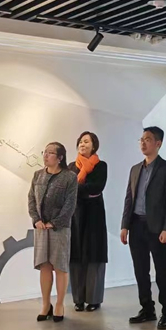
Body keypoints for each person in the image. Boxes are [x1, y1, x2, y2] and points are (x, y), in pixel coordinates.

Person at [121, 126, 166, 330]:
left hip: (157, 228)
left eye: (148, 139)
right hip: (136, 225)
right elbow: (129, 199)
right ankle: (147, 309)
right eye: (142, 139)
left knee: (162, 271)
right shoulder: (135, 169)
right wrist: (124, 226)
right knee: (140, 270)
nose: (143, 143)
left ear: (158, 143)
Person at [28, 142, 78, 323]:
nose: (46, 156)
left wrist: (54, 223)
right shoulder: (38, 175)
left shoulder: (69, 177)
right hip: (41, 228)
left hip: (60, 228)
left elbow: (70, 204)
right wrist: (36, 219)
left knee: (60, 267)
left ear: (60, 157)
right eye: (45, 152)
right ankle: (45, 304)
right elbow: (31, 199)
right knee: (45, 266)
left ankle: (59, 305)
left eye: (50, 153)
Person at [68, 131, 108, 312]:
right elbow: (69, 189)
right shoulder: (71, 167)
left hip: (94, 217)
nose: (82, 144)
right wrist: (85, 191)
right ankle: (78, 299)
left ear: (94, 146)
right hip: (75, 216)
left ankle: (94, 299)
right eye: (80, 141)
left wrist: (78, 190)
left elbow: (97, 187)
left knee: (94, 257)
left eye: (86, 141)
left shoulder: (100, 166)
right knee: (75, 256)